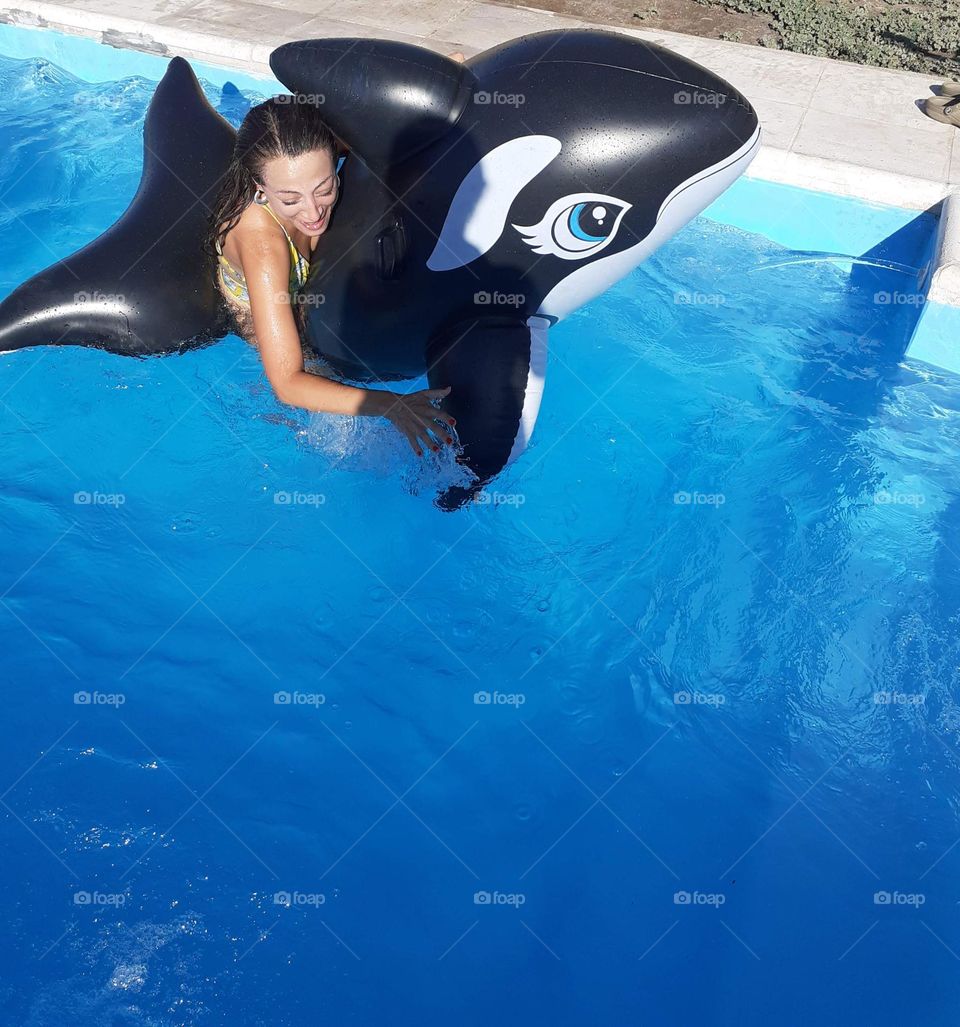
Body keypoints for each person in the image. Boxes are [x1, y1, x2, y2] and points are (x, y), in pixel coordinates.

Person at [205, 96, 456, 458]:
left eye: (324, 189)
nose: (312, 211)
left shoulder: (332, 149)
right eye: (290, 200)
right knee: (345, 441)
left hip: (317, 287)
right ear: (260, 187)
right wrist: (392, 406)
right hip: (269, 316)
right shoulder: (263, 246)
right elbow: (288, 383)